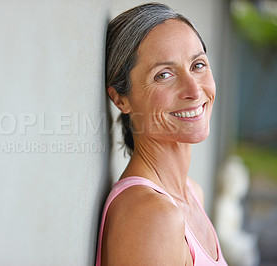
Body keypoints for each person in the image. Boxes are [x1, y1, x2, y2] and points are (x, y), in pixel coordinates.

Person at [96, 3, 228, 265]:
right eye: (164, 75)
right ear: (121, 99)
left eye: (198, 65)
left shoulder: (192, 193)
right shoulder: (151, 216)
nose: (194, 90)